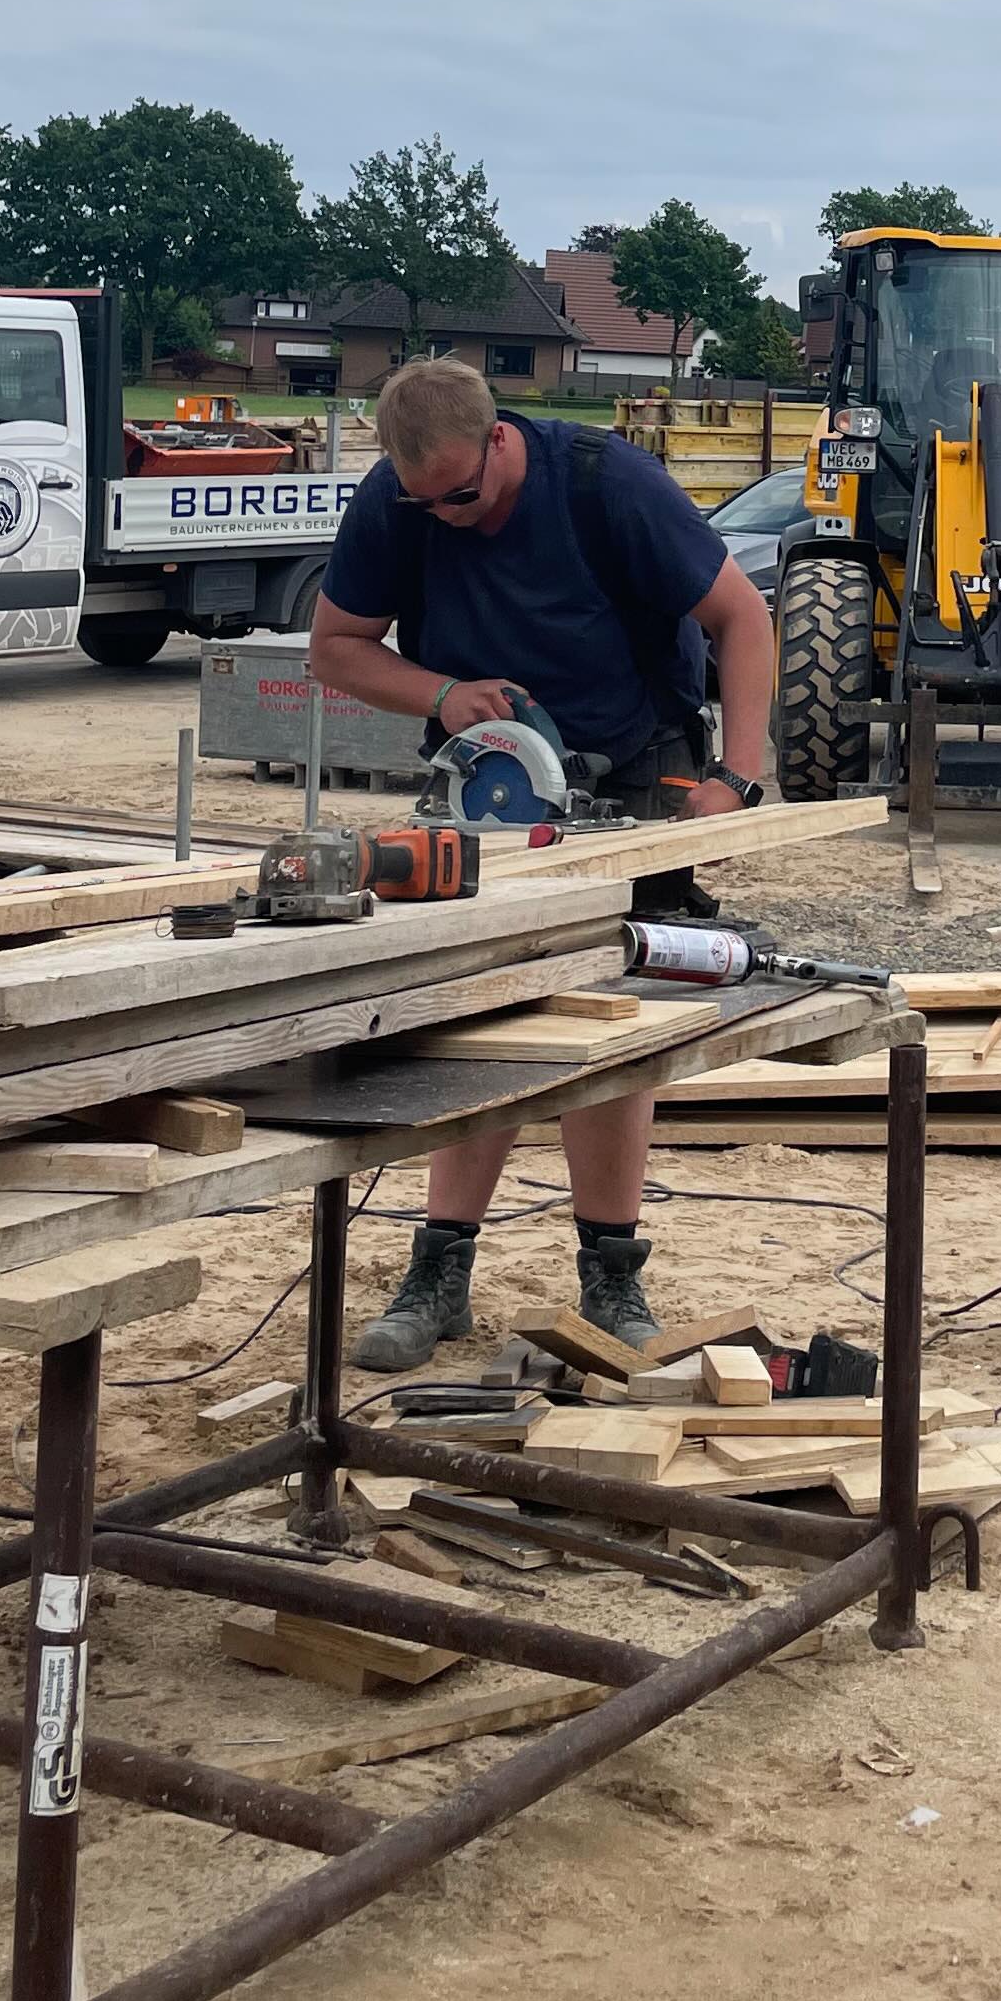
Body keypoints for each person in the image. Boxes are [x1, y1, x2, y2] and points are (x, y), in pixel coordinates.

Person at [306, 357, 777, 1364]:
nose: (446, 516)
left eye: (462, 496)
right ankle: (439, 1271)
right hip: (487, 782)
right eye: (424, 501)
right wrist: (441, 695)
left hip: (632, 768)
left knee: (610, 1029)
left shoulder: (609, 482)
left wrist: (735, 779)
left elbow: (744, 618)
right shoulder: (401, 500)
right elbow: (336, 647)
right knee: (472, 1013)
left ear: (499, 439)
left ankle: (611, 1277)